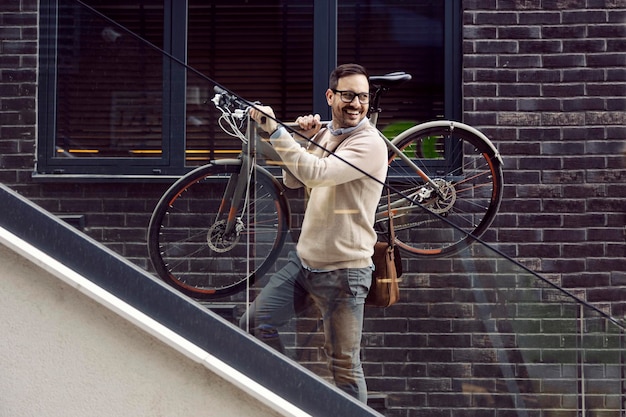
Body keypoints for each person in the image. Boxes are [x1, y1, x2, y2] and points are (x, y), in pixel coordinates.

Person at [240, 63, 388, 403]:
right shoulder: (326, 134)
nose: (356, 104)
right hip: (304, 264)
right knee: (255, 323)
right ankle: (292, 395)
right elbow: (296, 180)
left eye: (363, 97)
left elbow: (318, 174)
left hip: (345, 271)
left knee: (344, 366)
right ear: (330, 96)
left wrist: (277, 133)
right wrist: (301, 139)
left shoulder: (369, 144)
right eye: (348, 95)